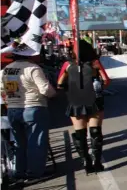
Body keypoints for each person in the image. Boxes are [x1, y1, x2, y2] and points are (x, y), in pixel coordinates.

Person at [1, 47, 57, 181]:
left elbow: (1, 89)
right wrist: (53, 94)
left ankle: (19, 171)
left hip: (13, 109)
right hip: (34, 107)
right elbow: (45, 89)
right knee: (36, 141)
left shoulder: (6, 70)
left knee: (19, 143)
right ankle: (35, 172)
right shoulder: (33, 69)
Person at [57, 39, 110, 174]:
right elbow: (106, 81)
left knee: (80, 134)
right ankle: (97, 162)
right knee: (95, 132)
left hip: (76, 100)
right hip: (93, 99)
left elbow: (59, 84)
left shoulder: (67, 65)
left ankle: (86, 162)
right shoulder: (95, 64)